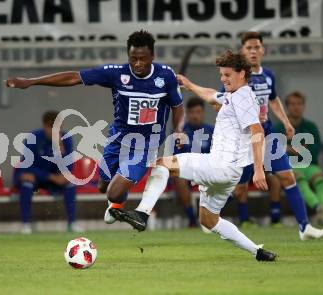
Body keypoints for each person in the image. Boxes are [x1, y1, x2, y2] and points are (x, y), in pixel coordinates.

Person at [109, 50, 276, 261]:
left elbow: (258, 132)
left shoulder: (242, 97)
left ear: (242, 73)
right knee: (209, 220)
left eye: (227, 75)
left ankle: (142, 213)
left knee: (163, 163)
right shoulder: (235, 95)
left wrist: (259, 170)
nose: (223, 79)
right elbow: (211, 96)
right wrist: (189, 85)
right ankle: (258, 252)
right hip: (230, 173)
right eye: (221, 74)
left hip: (220, 165)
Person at [6, 30, 185, 224]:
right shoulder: (117, 74)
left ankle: (122, 204)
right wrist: (31, 82)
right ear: (128, 56)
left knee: (114, 192)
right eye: (133, 59)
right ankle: (116, 199)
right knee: (103, 186)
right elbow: (74, 77)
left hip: (146, 145)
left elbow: (178, 107)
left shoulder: (165, 76)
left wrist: (178, 131)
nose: (138, 64)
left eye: (143, 59)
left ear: (153, 56)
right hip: (118, 139)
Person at [227, 32, 323, 239]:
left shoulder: (269, 75)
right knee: (239, 188)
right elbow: (224, 104)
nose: (253, 51)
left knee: (287, 176)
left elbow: (272, 100)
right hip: (246, 140)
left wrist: (286, 122)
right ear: (242, 51)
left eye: (257, 47)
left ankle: (304, 227)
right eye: (249, 48)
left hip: (268, 135)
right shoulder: (235, 76)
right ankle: (208, 209)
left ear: (263, 50)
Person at [13, 111, 81, 234]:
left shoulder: (66, 139)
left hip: (53, 180)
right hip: (35, 177)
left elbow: (69, 169)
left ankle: (72, 223)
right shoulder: (33, 138)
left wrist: (62, 152)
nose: (56, 130)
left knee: (70, 183)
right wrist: (50, 177)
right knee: (26, 182)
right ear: (44, 126)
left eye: (59, 127)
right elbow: (26, 168)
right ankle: (25, 224)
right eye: (51, 126)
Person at [273, 92, 323, 225]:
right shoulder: (279, 127)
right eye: (292, 104)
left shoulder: (311, 127)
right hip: (289, 165)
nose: (296, 107)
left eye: (299, 104)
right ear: (286, 107)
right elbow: (274, 152)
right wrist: (299, 149)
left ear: (304, 106)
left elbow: (314, 151)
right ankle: (319, 208)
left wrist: (289, 148)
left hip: (309, 165)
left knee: (320, 178)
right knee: (298, 178)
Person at [173, 97, 214, 227]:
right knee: (177, 178)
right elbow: (176, 158)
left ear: (203, 113)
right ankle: (192, 219)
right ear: (187, 114)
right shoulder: (181, 132)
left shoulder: (211, 131)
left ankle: (212, 216)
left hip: (208, 170)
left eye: (198, 112)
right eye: (192, 112)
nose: (195, 116)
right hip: (188, 171)